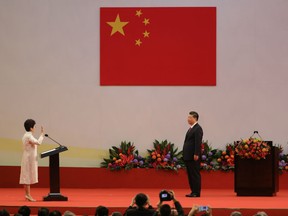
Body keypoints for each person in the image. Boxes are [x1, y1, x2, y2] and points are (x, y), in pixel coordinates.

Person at [19, 119, 45, 201]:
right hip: (28, 158)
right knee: (27, 176)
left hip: (28, 157)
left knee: (27, 175)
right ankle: (28, 195)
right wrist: (42, 135)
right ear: (31, 128)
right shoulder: (29, 136)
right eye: (34, 126)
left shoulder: (27, 135)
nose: (35, 128)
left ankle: (27, 195)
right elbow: (38, 142)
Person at [183, 111, 203, 198]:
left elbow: (198, 142)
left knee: (194, 174)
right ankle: (193, 191)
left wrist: (196, 153)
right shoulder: (191, 128)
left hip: (193, 156)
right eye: (188, 117)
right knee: (190, 174)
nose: (188, 119)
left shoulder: (198, 128)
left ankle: (196, 192)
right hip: (188, 155)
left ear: (195, 118)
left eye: (190, 118)